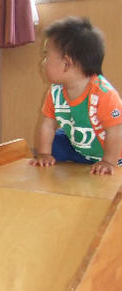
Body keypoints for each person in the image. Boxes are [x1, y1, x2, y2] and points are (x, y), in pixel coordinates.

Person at [30, 16, 122, 175]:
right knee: (55, 141)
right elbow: (47, 124)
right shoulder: (55, 91)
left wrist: (108, 162)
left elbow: (116, 132)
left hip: (111, 152)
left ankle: (106, 164)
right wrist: (44, 153)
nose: (43, 62)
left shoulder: (104, 94)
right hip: (80, 149)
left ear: (67, 63)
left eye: (47, 56)